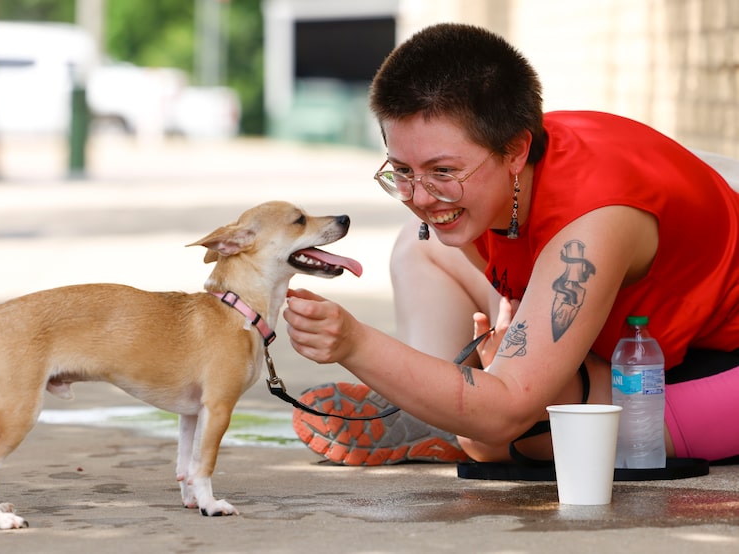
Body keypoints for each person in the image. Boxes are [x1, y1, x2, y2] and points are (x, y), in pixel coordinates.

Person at [283, 22, 739, 467]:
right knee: (421, 244)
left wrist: (355, 343)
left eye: (443, 171)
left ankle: (447, 410)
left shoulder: (593, 219)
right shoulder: (497, 166)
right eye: (402, 171)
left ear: (517, 150)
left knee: (501, 437)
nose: (420, 197)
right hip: (621, 340)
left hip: (711, 364)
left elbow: (506, 413)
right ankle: (437, 403)